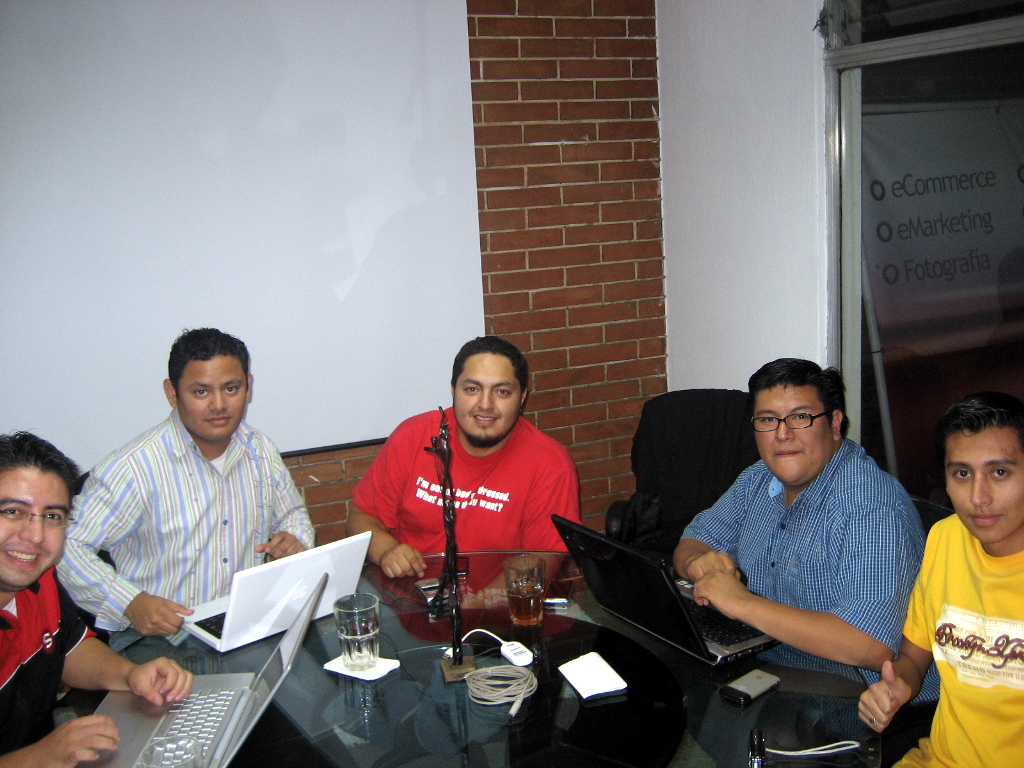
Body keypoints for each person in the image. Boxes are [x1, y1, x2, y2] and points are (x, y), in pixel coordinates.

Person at [673, 358, 933, 688]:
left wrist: (740, 602)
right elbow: (693, 540)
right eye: (767, 420)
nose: (782, 434)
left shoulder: (870, 505)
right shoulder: (757, 480)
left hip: (854, 699)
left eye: (800, 417)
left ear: (835, 423)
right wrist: (699, 564)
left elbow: (870, 645)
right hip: (772, 669)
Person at [59, 328, 314, 648]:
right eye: (201, 392)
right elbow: (65, 547)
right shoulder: (134, 467)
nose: (219, 405)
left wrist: (295, 539)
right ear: (172, 392)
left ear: (248, 386)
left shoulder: (259, 449)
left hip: (245, 624)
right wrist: (130, 602)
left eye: (231, 388)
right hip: (160, 636)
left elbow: (293, 514)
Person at [0, 432, 192, 767]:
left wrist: (129, 674)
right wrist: (41, 756)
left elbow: (69, 648)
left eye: (52, 516)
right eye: (14, 511)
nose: (35, 535)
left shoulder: (41, 581)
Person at [859, 392, 1024, 767]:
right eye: (962, 473)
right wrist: (896, 685)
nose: (978, 497)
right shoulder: (946, 538)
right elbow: (915, 657)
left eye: (1000, 472)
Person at [347, 336, 581, 578]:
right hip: (408, 601)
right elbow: (362, 516)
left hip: (498, 608)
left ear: (522, 398)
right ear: (453, 391)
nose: (486, 405)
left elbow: (543, 560)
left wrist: (476, 609)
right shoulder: (412, 437)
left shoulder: (550, 463)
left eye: (502, 392)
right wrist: (387, 551)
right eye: (472, 389)